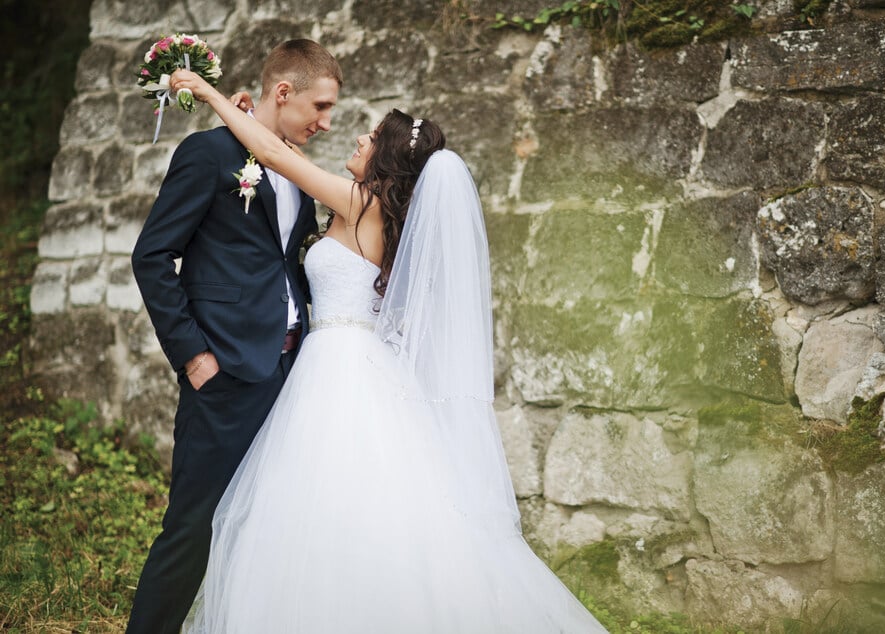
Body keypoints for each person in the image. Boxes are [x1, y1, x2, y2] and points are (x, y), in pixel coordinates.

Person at [170, 67, 609, 633]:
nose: (357, 137)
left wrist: (209, 97)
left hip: (337, 374)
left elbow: (274, 156)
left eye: (372, 138)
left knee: (321, 508)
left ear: (387, 159)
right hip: (344, 365)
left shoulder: (361, 203)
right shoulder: (383, 215)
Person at [128, 40, 342, 633]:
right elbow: (152, 257)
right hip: (223, 375)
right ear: (282, 94)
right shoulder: (209, 154)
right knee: (194, 528)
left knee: (271, 526)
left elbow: (287, 261)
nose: (325, 123)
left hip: (291, 376)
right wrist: (194, 356)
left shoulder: (295, 168)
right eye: (319, 108)